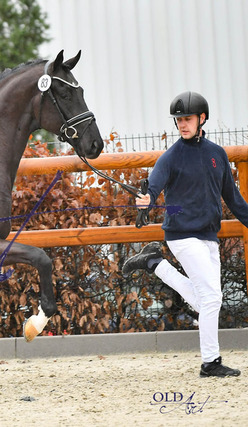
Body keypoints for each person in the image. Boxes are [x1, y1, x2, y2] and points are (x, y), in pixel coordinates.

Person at [122, 91, 248, 378]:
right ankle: (210, 363)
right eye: (178, 120)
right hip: (182, 236)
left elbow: (234, 200)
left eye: (187, 119)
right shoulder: (171, 157)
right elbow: (153, 187)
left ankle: (155, 263)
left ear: (202, 118)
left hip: (209, 236)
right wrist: (146, 200)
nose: (182, 124)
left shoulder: (217, 154)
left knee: (207, 300)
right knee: (212, 298)